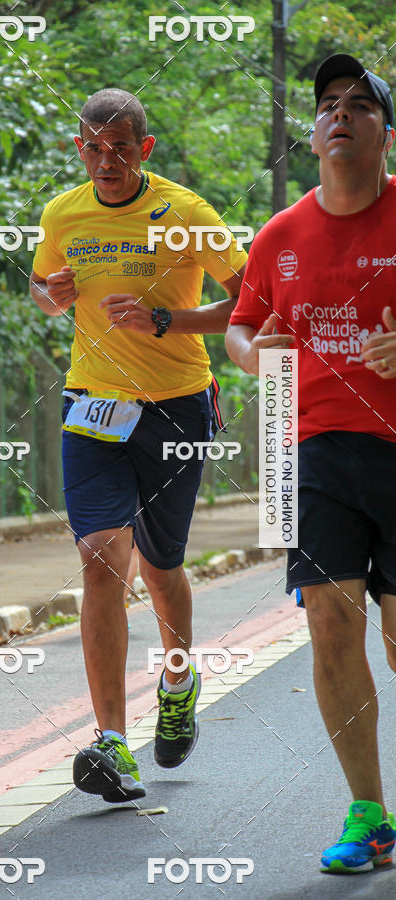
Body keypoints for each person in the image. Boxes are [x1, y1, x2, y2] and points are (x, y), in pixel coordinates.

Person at [30, 88, 247, 802]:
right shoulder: (63, 214)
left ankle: (178, 680)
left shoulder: (186, 213)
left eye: (120, 147)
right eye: (94, 148)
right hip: (92, 405)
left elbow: (252, 303)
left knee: (160, 567)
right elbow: (41, 288)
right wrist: (53, 297)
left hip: (177, 408)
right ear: (79, 149)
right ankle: (112, 742)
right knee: (101, 558)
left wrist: (163, 321)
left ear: (144, 148)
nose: (107, 161)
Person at [225, 53, 396, 874]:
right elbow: (241, 323)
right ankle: (370, 815)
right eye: (328, 103)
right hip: (316, 449)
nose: (340, 115)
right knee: (330, 621)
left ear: (385, 131)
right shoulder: (281, 235)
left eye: (359, 104)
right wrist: (252, 356)